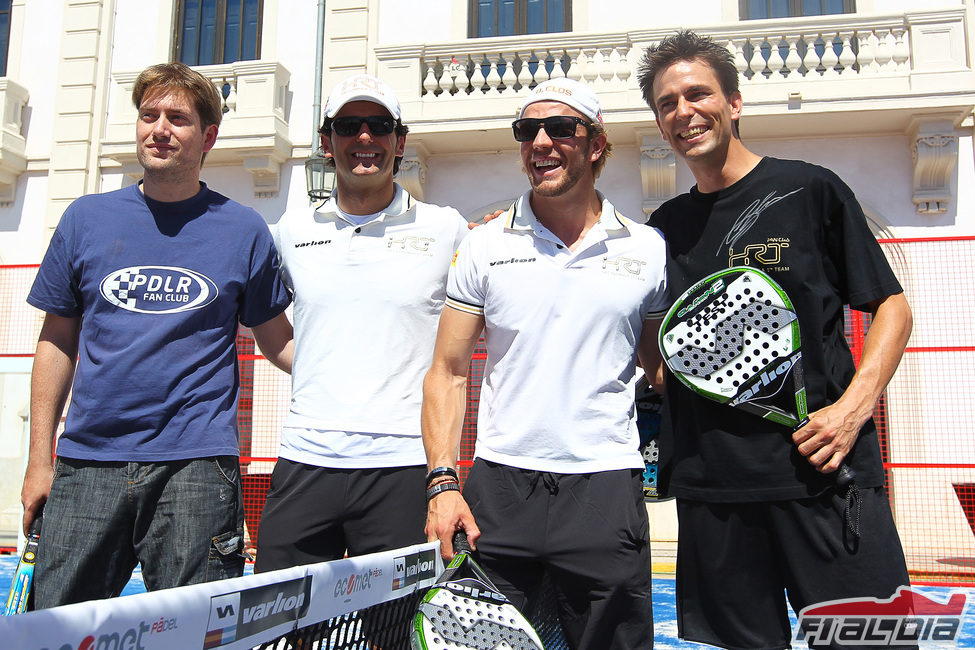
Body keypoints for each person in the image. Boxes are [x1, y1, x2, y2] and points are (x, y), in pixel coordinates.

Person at [637, 30, 915, 649]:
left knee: (876, 643)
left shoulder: (810, 190)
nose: (684, 111)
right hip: (714, 493)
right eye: (667, 103)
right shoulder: (662, 230)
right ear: (660, 124)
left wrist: (850, 410)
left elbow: (891, 307)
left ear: (734, 103)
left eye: (698, 94)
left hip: (828, 478)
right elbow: (651, 340)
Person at [21, 62, 294, 608]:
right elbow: (55, 342)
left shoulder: (244, 230)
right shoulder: (85, 220)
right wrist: (38, 459)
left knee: (198, 633)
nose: (159, 129)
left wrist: (370, 374)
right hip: (87, 464)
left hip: (195, 469)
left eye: (178, 118)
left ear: (208, 137)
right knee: (58, 630)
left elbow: (280, 342)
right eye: (149, 116)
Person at [422, 77, 668, 650]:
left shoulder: (647, 248)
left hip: (605, 486)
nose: (541, 142)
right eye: (527, 130)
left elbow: (660, 370)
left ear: (596, 144)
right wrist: (441, 483)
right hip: (499, 489)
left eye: (560, 128)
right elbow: (448, 371)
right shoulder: (483, 245)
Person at [254, 74, 469, 571]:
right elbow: (273, 333)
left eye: (379, 125)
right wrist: (325, 367)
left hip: (404, 464)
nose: (364, 137)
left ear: (400, 140)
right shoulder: (290, 232)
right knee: (279, 630)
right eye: (349, 125)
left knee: (393, 631)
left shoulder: (447, 228)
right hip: (306, 459)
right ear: (327, 143)